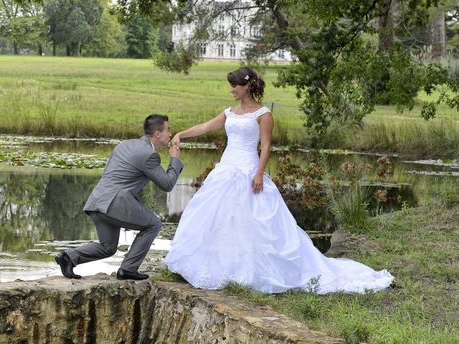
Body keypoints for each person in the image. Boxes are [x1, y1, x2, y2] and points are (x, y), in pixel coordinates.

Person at [164, 67, 394, 293]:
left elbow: (265, 147)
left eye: (234, 85)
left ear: (247, 87)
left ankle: (256, 270)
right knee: (220, 219)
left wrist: (258, 174)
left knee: (254, 222)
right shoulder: (229, 112)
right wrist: (180, 134)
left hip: (248, 169)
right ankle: (220, 267)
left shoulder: (263, 114)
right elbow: (205, 127)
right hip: (226, 170)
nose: (231, 89)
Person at [56, 114, 183, 281]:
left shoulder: (126, 144)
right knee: (153, 224)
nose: (170, 133)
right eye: (168, 130)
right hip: (113, 202)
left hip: (96, 201)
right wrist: (174, 159)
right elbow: (167, 184)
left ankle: (69, 257)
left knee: (108, 247)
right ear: (157, 134)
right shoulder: (148, 154)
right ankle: (128, 269)